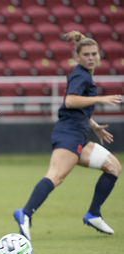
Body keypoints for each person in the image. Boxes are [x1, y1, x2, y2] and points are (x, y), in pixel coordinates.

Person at [13, 31, 122, 240]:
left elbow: (77, 108)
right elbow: (71, 101)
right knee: (56, 176)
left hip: (78, 134)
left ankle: (93, 214)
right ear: (78, 57)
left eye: (94, 54)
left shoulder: (85, 75)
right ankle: (24, 213)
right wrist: (100, 99)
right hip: (68, 135)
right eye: (87, 54)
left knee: (113, 167)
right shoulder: (81, 75)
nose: (91, 58)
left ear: (99, 56)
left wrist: (94, 125)